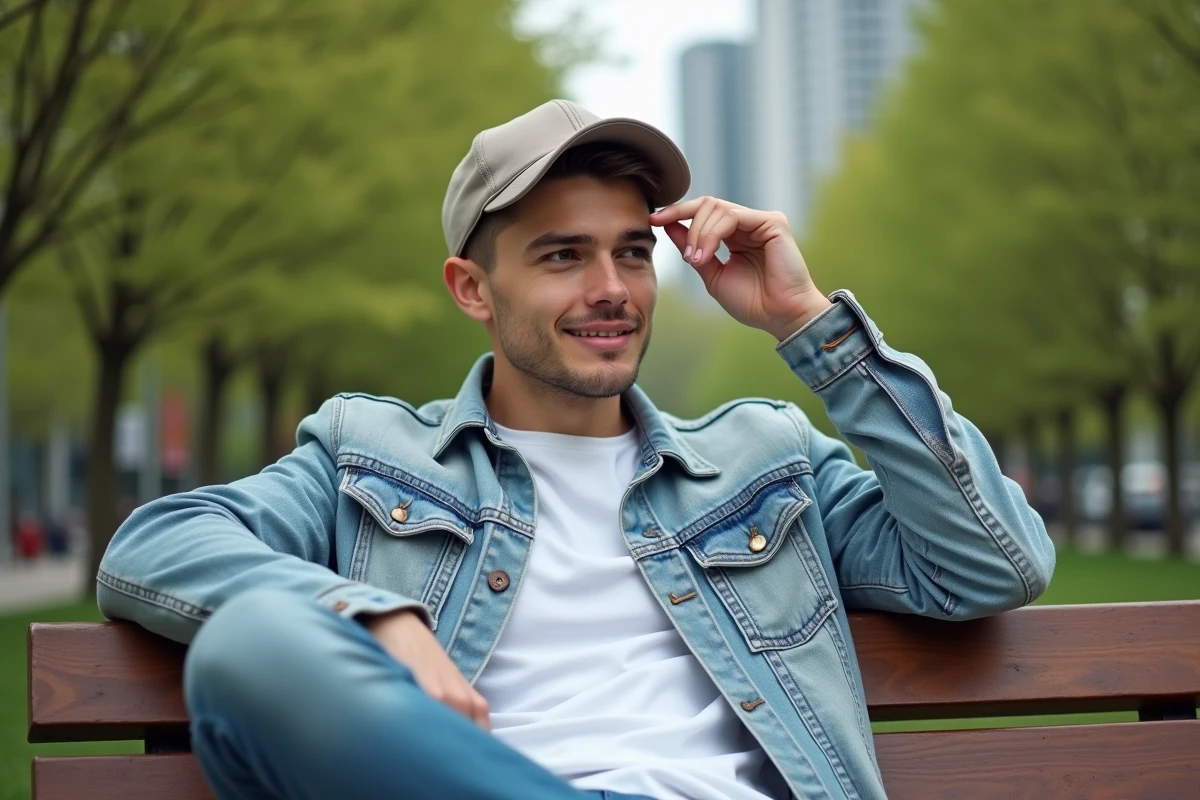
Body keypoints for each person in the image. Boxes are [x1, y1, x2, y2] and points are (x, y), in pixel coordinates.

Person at [97, 100, 1055, 800]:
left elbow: (992, 565)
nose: (614, 288)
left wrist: (812, 327)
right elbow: (156, 544)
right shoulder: (371, 456)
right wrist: (371, 613)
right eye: (564, 256)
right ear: (473, 289)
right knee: (250, 642)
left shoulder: (765, 462)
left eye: (633, 252)